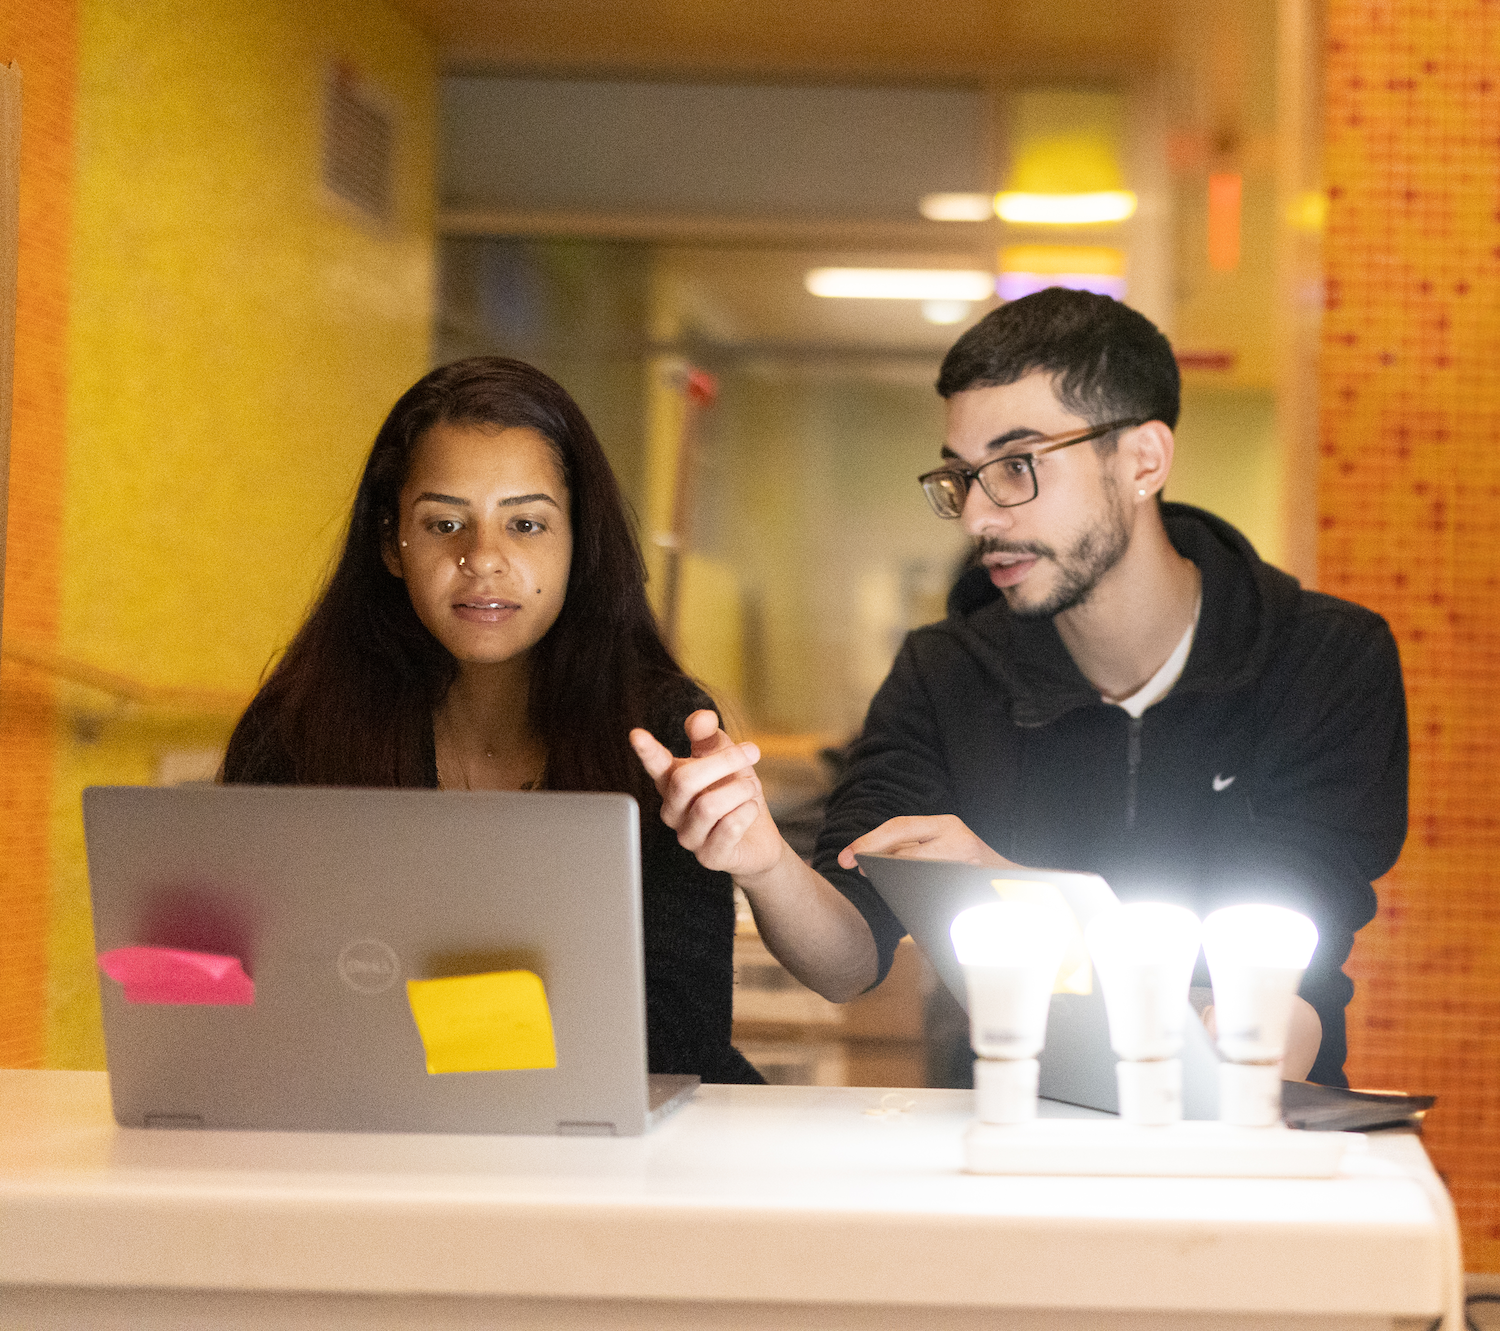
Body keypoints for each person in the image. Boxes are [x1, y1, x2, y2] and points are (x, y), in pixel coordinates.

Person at [631, 289, 1408, 1087]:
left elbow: (1275, 991)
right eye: (962, 477)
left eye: (1015, 466)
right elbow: (847, 961)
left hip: (1255, 1144)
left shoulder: (1322, 661)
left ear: (1143, 460)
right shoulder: (947, 671)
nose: (976, 517)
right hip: (1005, 1140)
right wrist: (761, 858)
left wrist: (1009, 895)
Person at [222, 356, 762, 1085]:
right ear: (391, 543)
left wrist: (419, 1039)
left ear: (578, 542)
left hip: (626, 1159)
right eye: (444, 523)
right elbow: (255, 1005)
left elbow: (678, 1036)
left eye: (527, 524)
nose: (483, 559)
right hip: (383, 1137)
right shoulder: (297, 726)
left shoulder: (662, 731)